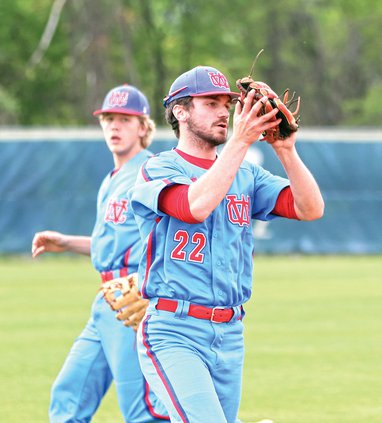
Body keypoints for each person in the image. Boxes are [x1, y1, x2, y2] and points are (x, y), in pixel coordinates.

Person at [128, 66, 325, 423]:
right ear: (180, 111)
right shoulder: (156, 169)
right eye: (210, 102)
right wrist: (241, 141)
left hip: (231, 333)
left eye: (227, 103)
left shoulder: (247, 174)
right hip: (175, 331)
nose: (224, 111)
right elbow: (193, 206)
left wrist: (285, 149)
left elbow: (310, 208)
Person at [31, 85, 169, 423]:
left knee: (146, 413)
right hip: (106, 303)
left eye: (125, 119)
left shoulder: (152, 172)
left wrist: (153, 286)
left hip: (134, 303)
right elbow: (109, 248)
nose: (114, 127)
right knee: (69, 396)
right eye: (108, 119)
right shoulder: (112, 179)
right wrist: (65, 242)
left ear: (143, 127)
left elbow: (172, 236)